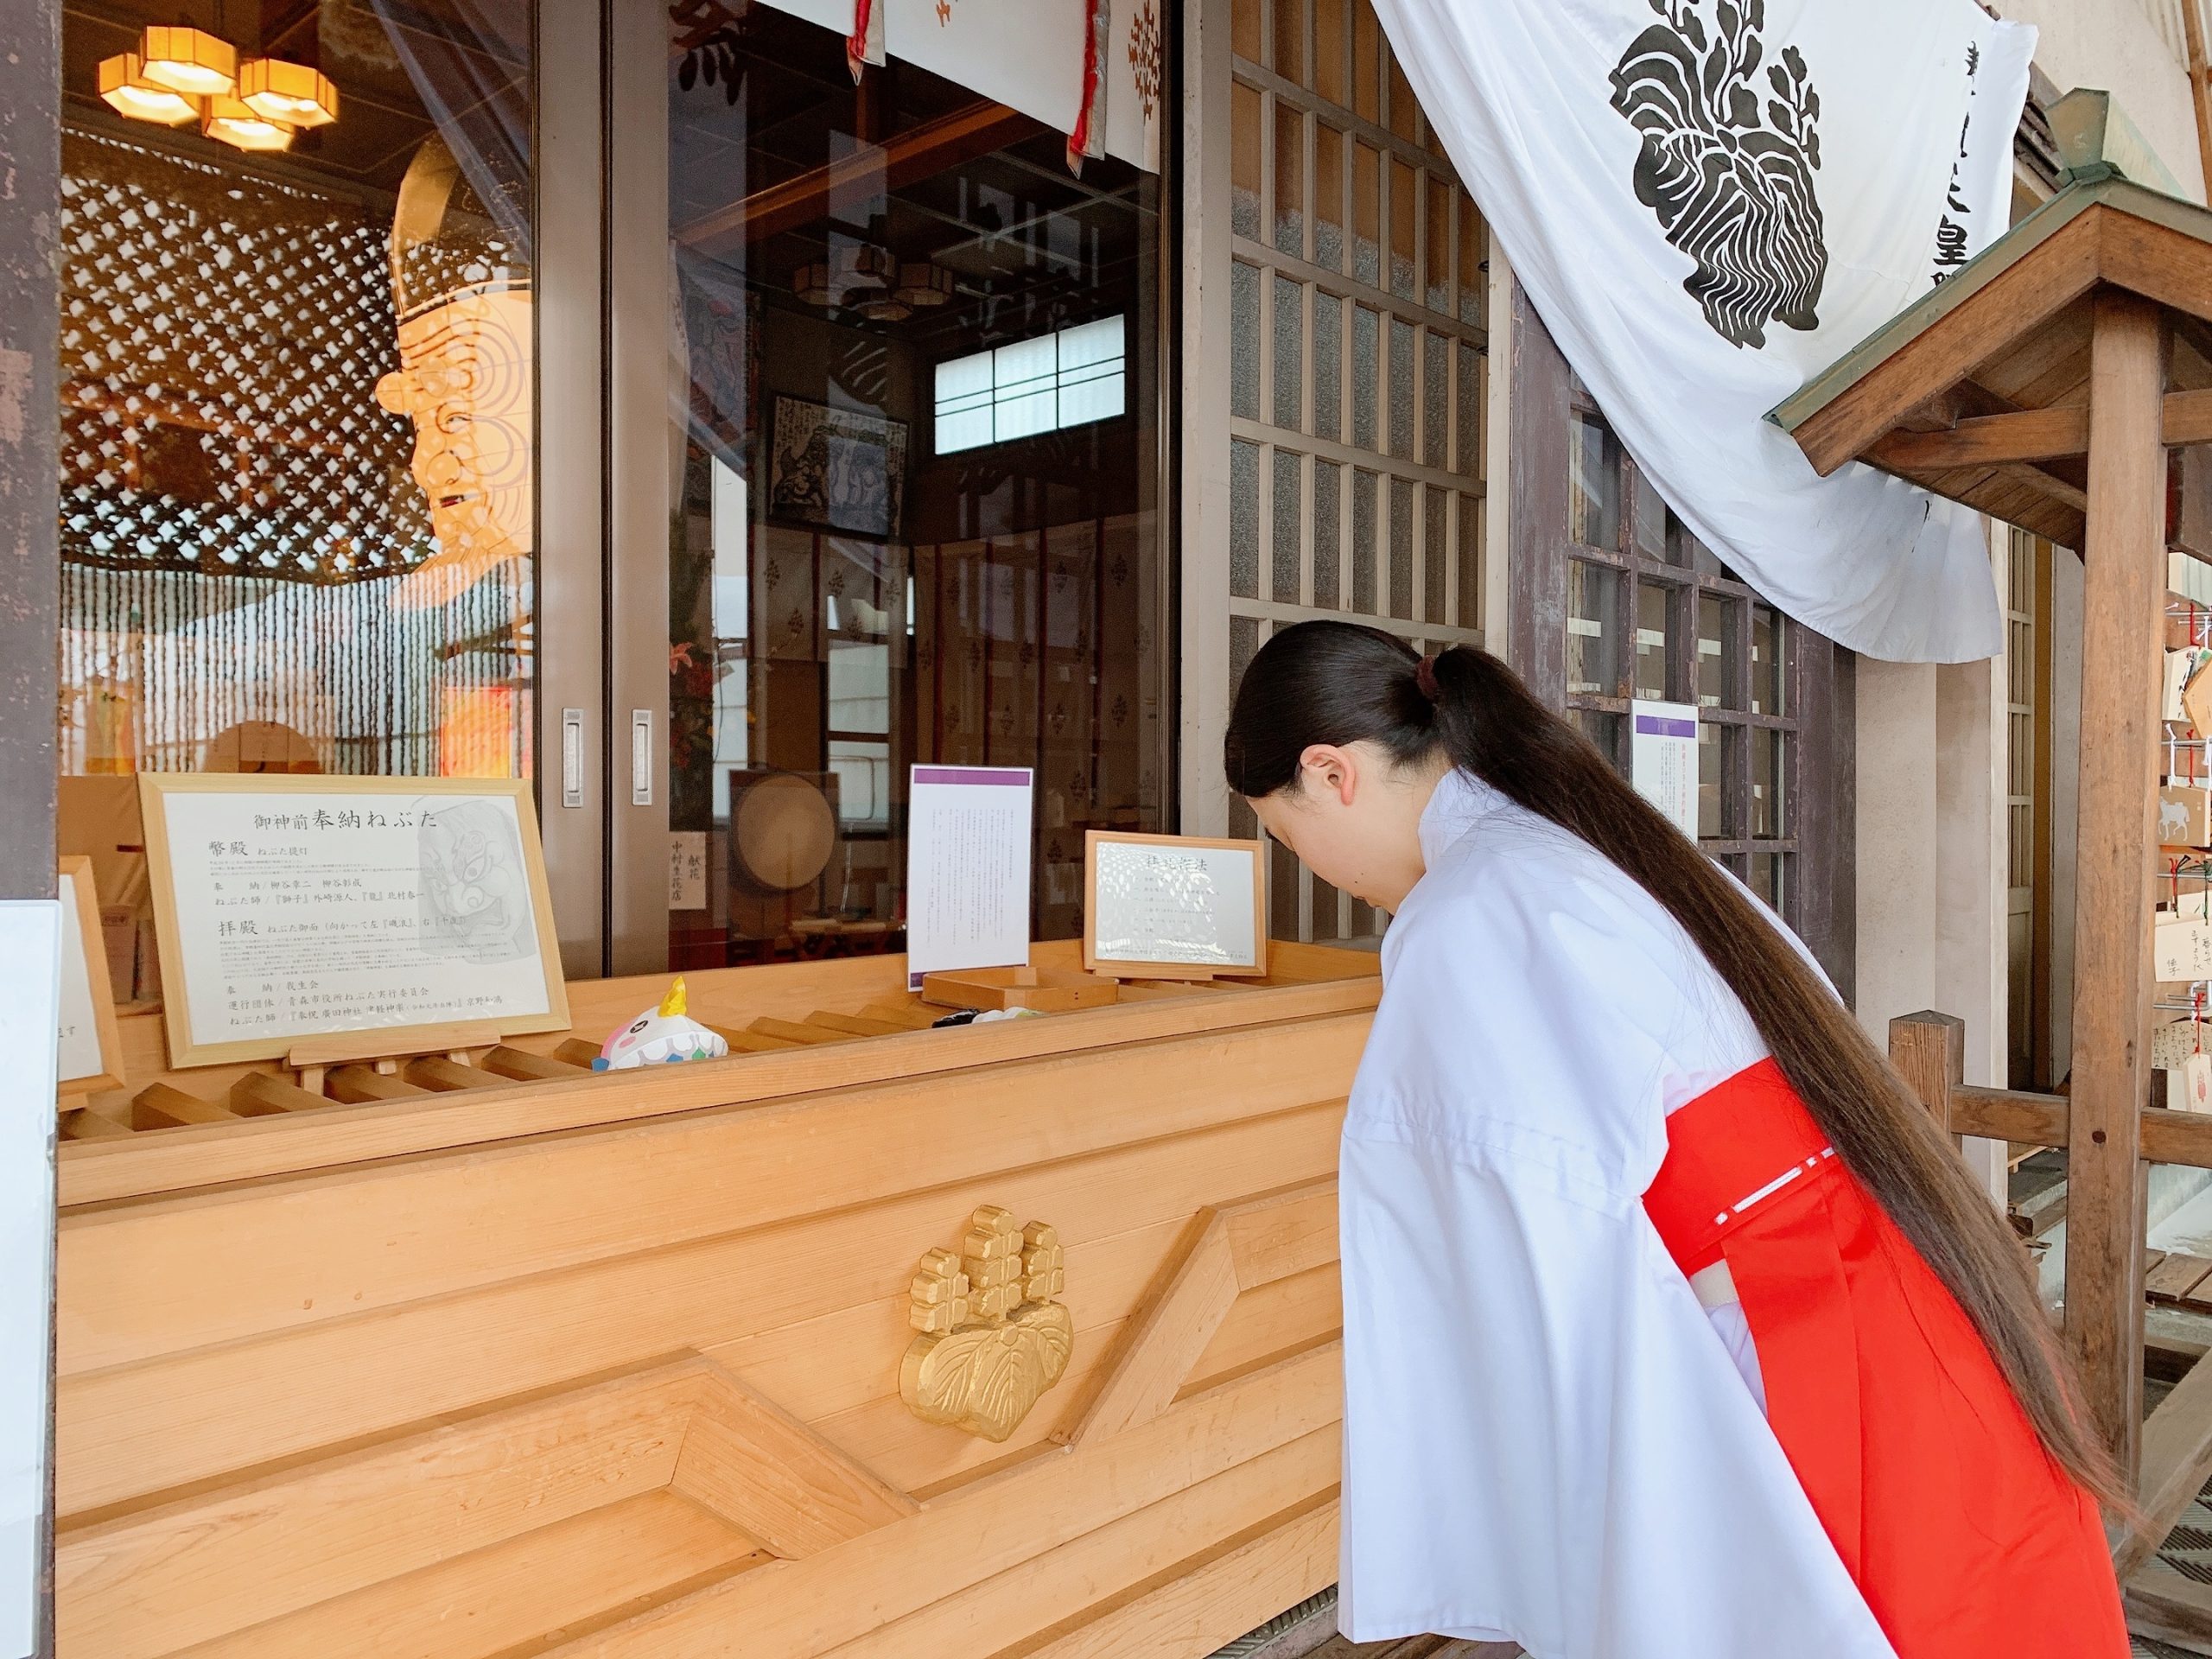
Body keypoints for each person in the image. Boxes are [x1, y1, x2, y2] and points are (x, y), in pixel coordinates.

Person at [1222, 620, 2128, 1659]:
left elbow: (1520, 1229)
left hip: (1776, 1330)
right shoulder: (1583, 845)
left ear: (1330, 773)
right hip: (1875, 1276)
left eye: (1288, 838)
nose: (1320, 874)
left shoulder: (1476, 903)